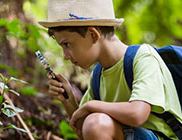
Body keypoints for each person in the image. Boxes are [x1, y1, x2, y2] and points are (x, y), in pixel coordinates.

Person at [38, 0, 182, 139]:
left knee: (97, 123)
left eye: (67, 44)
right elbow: (86, 131)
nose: (65, 56)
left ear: (93, 35)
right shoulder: (98, 76)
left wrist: (91, 106)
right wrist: (68, 100)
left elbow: (137, 114)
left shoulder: (143, 57)